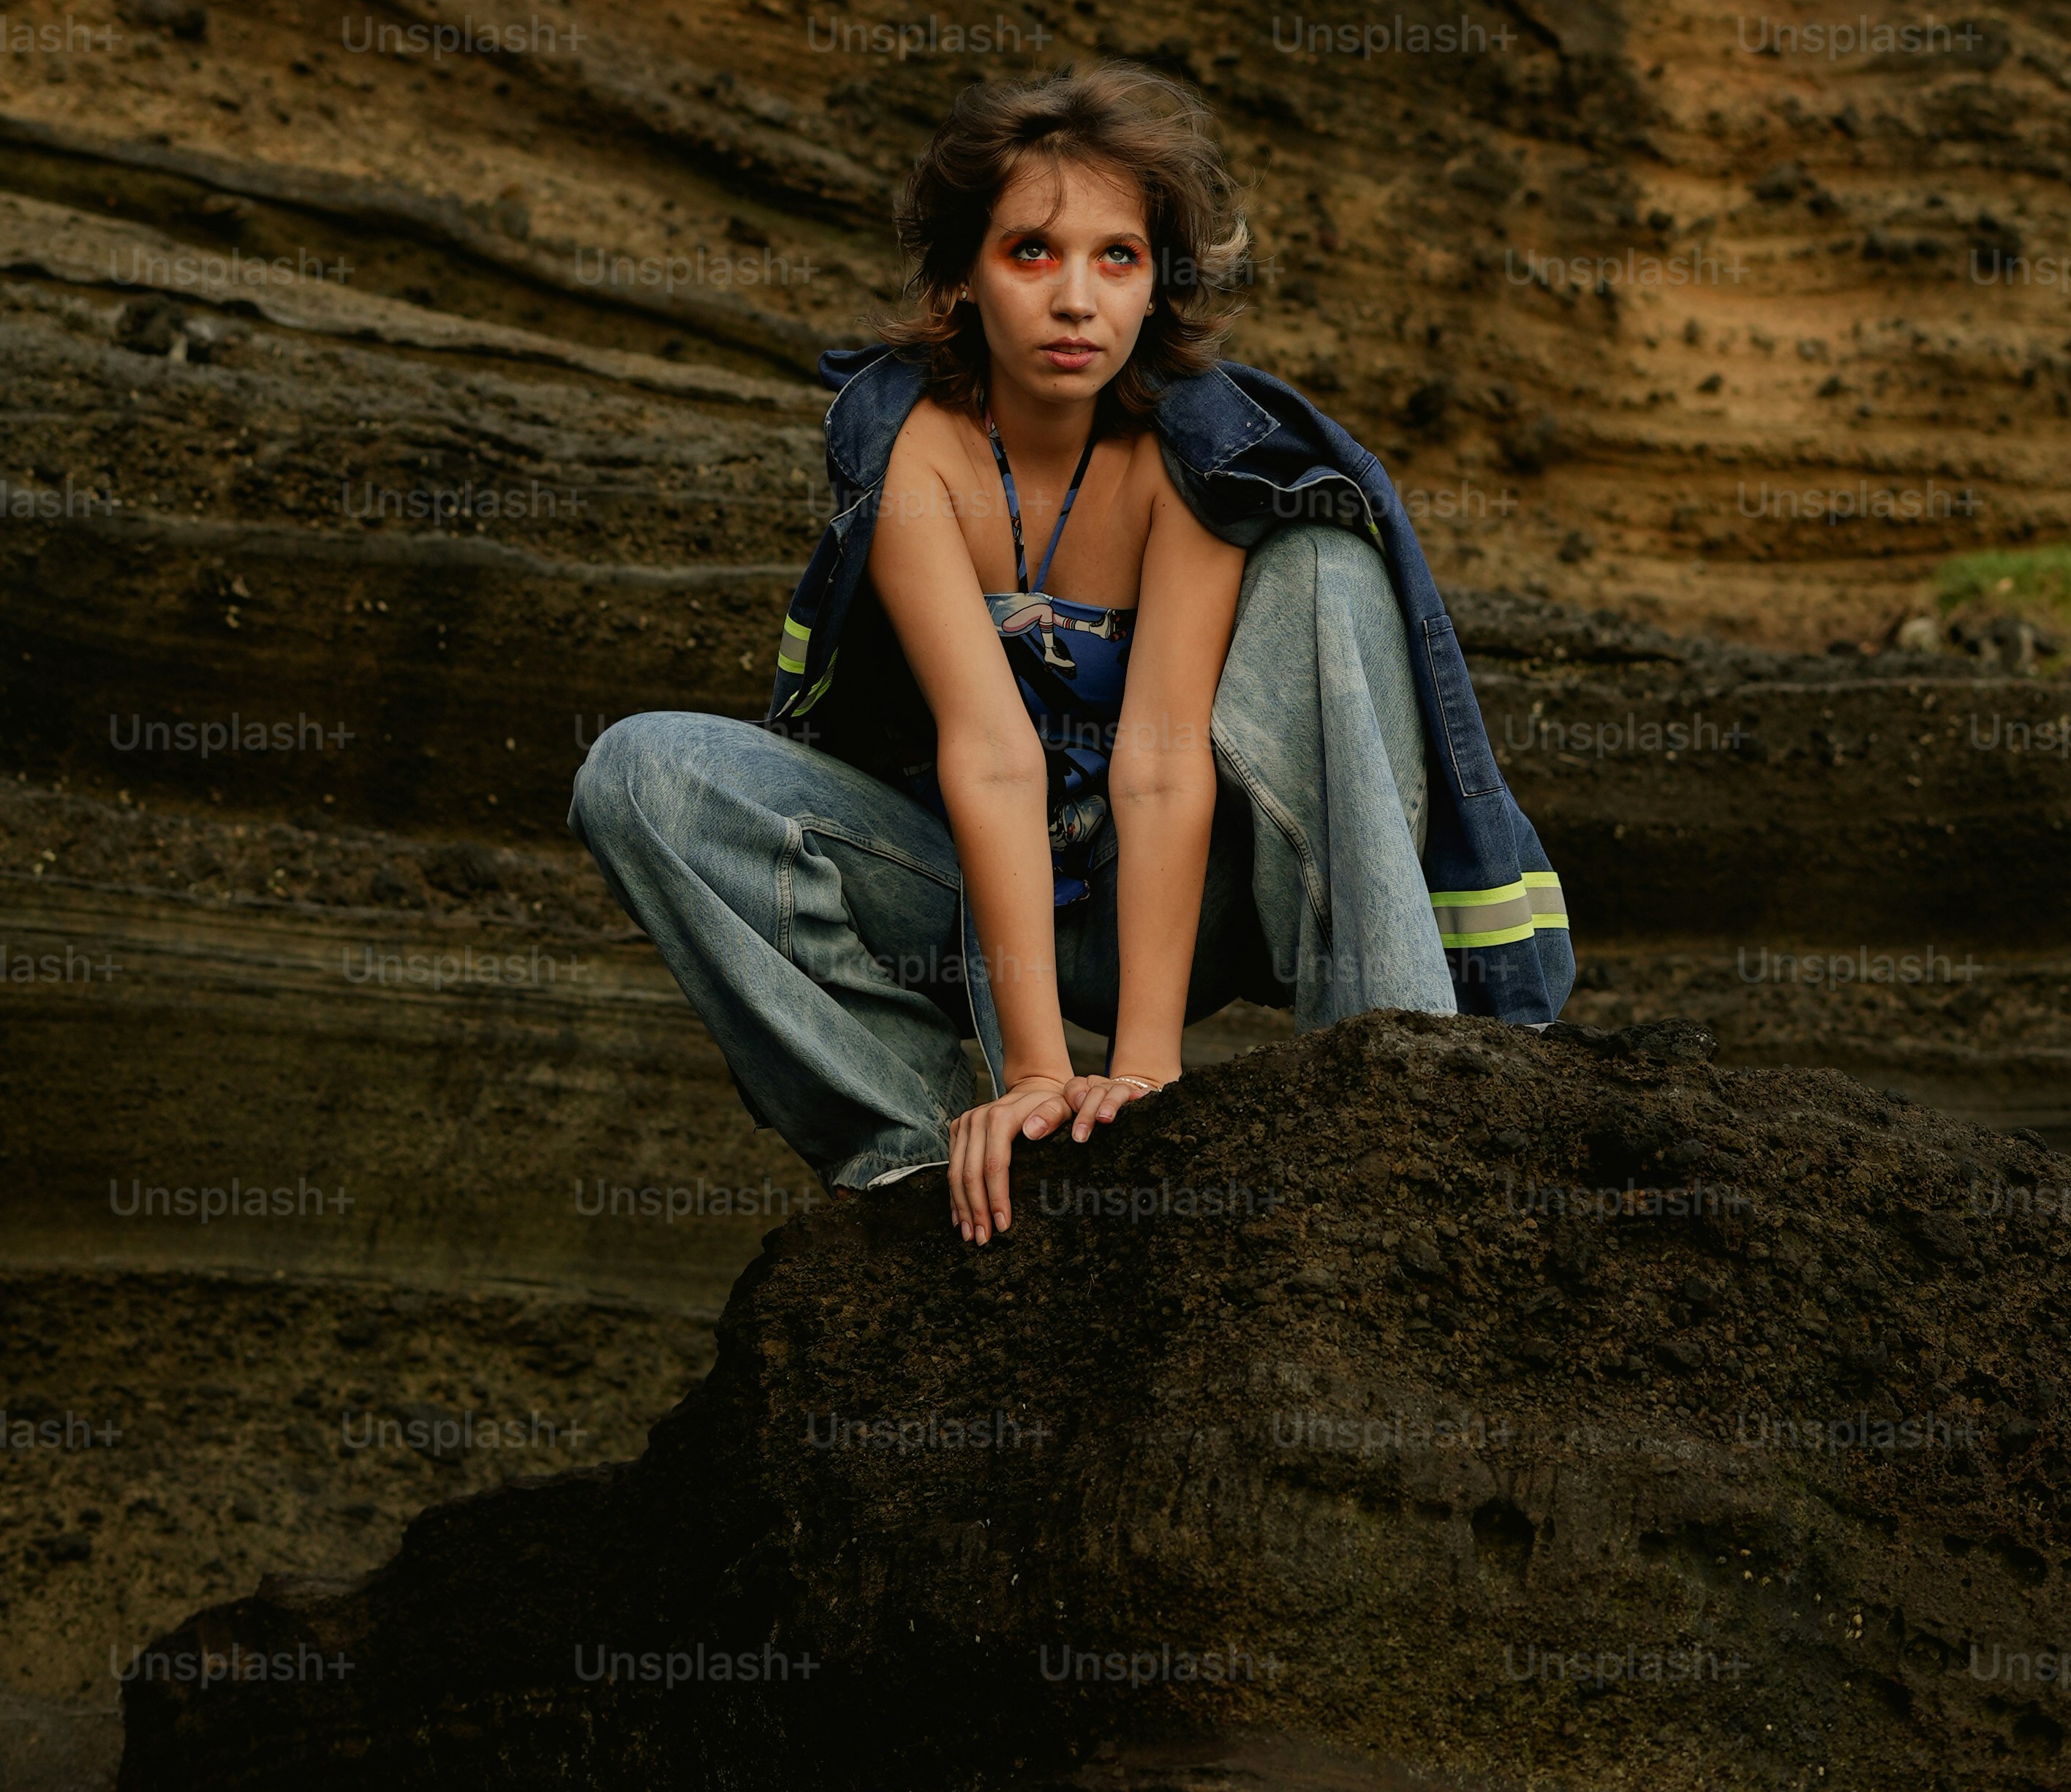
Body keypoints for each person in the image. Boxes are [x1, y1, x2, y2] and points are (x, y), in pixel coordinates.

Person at [570, 63, 1569, 1253]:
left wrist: (1144, 1071)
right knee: (640, 774)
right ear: (961, 280)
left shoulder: (1188, 455)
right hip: (981, 895)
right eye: (1032, 254)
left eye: (1118, 259)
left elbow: (1157, 765)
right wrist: (1039, 1072)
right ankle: (936, 1152)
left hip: (1200, 905)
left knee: (1325, 567)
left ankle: (1388, 1101)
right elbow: (990, 757)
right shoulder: (915, 456)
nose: (1076, 299)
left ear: (1158, 288)